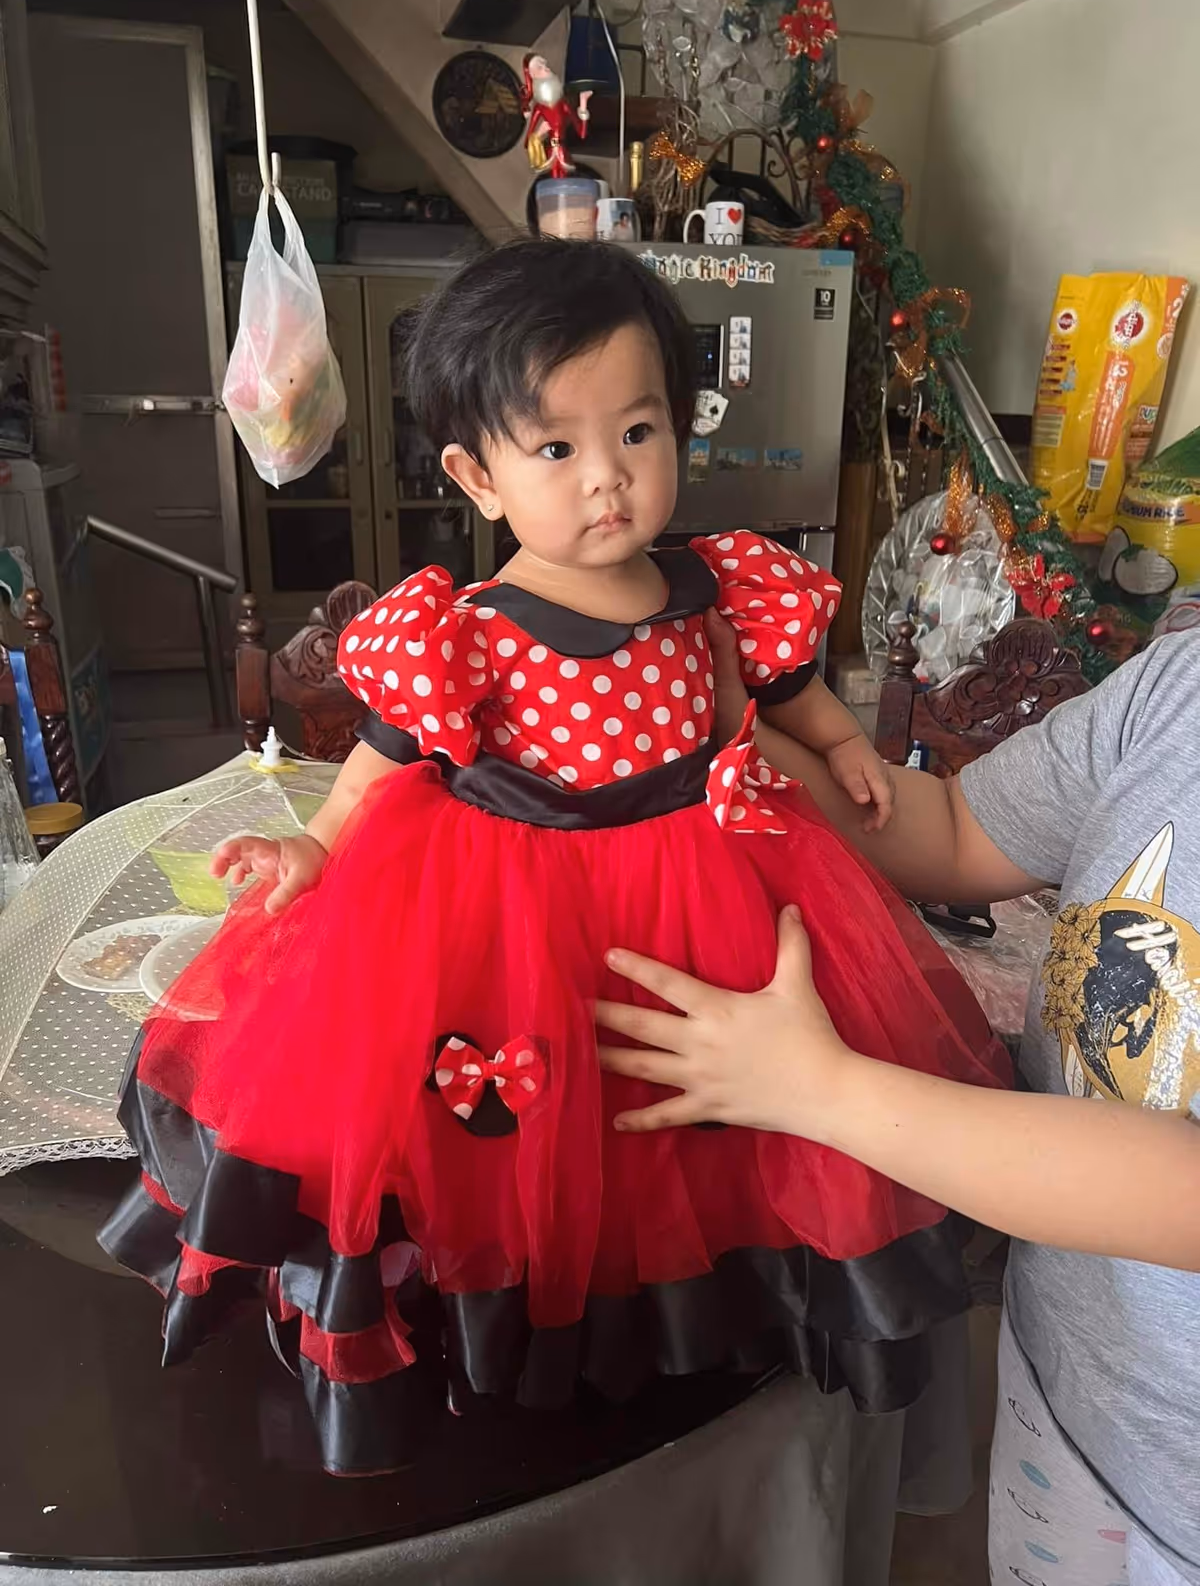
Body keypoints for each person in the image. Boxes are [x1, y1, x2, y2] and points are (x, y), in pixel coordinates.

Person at [99, 238, 1008, 1477]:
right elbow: (384, 764)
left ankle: (710, 1313)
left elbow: (790, 697)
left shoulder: (717, 586)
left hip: (709, 882)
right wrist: (312, 846)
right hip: (510, 902)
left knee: (691, 1109)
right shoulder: (458, 632)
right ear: (477, 476)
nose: (609, 482)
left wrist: (847, 749)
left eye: (638, 433)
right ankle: (516, 1322)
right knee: (517, 1126)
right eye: (558, 449)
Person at [598, 620, 1200, 1586]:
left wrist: (819, 1088)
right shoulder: (1176, 686)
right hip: (1070, 1386)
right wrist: (732, 729)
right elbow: (958, 833)